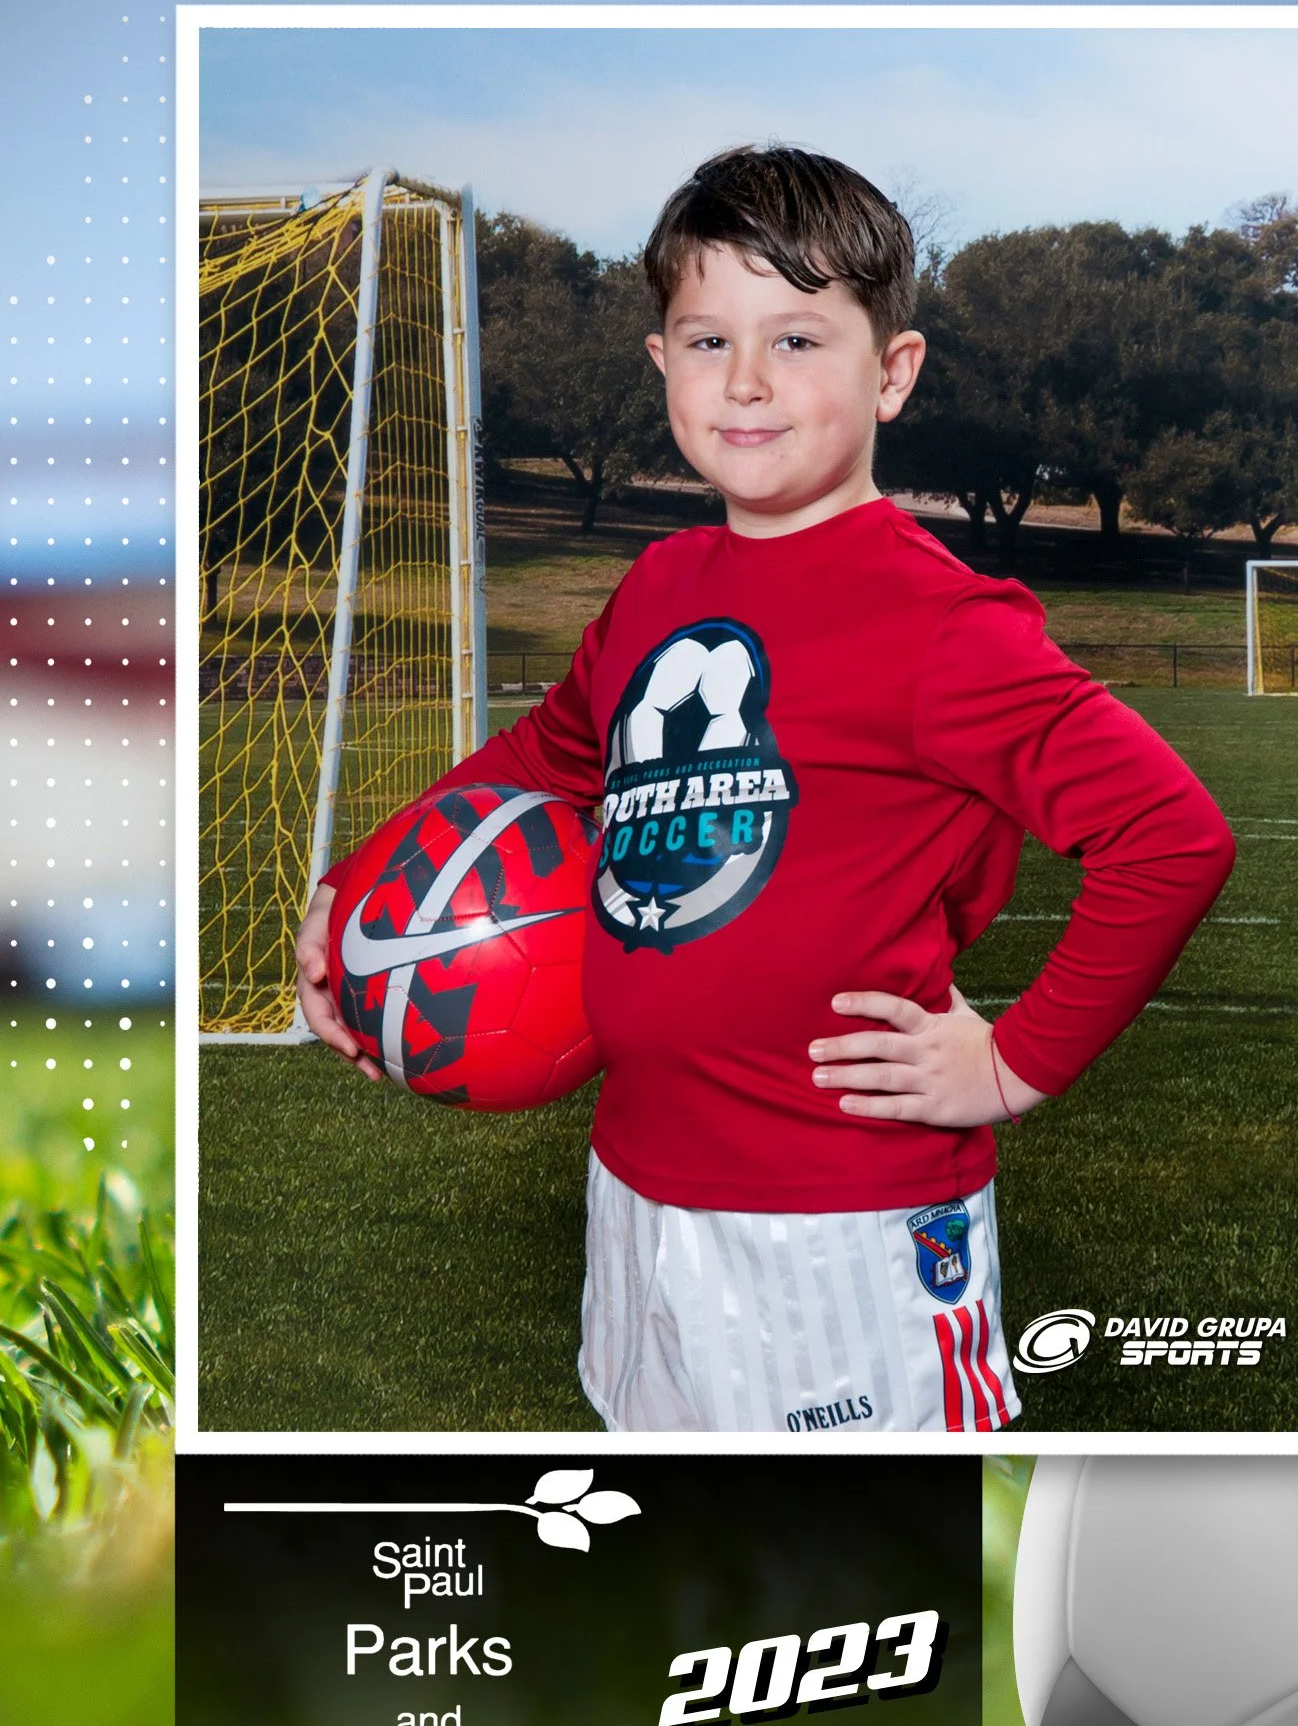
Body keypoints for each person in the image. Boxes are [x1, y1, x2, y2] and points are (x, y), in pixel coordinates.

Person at [295, 144, 1235, 1436]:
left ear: (890, 372)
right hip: (639, 1182)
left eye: (797, 339)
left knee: (866, 1583)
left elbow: (1170, 835)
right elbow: (545, 758)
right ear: (660, 364)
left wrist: (1015, 1063)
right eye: (705, 340)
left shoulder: (940, 623)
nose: (745, 382)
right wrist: (354, 891)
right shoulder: (660, 586)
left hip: (843, 1211)